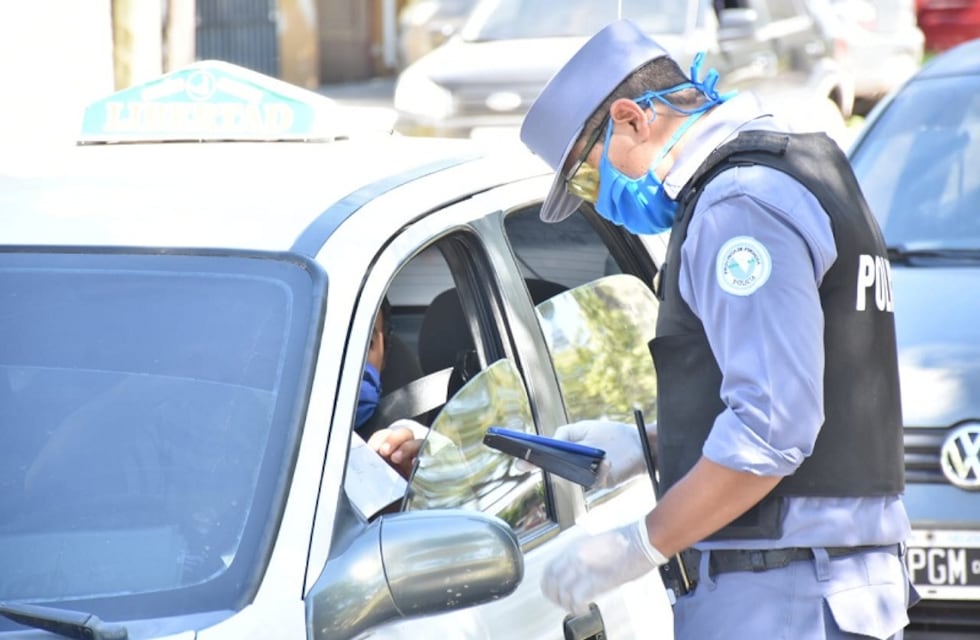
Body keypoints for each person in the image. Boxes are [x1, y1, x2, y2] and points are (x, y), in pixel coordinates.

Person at [519, 19, 916, 639]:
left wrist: (637, 544)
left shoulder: (741, 205)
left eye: (590, 175)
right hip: (820, 584)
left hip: (781, 593)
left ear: (631, 118)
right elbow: (816, 380)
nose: (600, 201)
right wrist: (648, 445)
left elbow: (769, 428)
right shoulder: (801, 166)